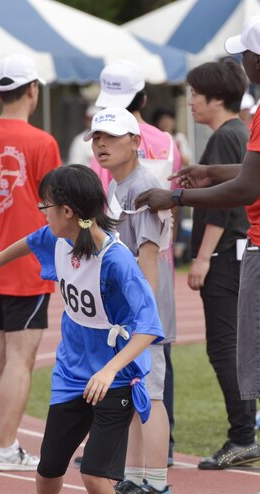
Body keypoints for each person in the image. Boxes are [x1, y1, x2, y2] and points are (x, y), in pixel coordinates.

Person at [136, 15, 260, 494]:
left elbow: (250, 188)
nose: (240, 65)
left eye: (243, 56)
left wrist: (176, 197)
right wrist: (207, 171)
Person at [0, 164, 163, 494]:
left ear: (68, 211)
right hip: (72, 374)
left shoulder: (116, 261)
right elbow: (28, 242)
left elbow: (149, 327)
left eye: (46, 206)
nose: (42, 213)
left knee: (94, 474)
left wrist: (110, 370)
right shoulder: (58, 240)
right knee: (48, 469)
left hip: (116, 376)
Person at [0, 54, 61, 471]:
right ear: (33, 90)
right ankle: (4, 446)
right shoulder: (42, 142)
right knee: (21, 358)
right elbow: (57, 206)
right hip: (28, 263)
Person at [90, 60, 180, 465]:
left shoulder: (143, 186)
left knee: (153, 394)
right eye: (96, 138)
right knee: (135, 391)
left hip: (145, 312)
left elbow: (149, 257)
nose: (101, 145)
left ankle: (155, 480)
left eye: (111, 137)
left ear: (135, 141)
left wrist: (142, 317)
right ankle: (136, 475)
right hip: (131, 310)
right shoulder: (118, 185)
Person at [184, 60, 260, 470]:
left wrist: (201, 258)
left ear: (217, 97)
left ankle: (243, 436)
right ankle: (244, 432)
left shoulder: (224, 138)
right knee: (233, 346)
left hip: (224, 256)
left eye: (196, 94)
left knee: (224, 347)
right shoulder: (238, 133)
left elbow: (223, 204)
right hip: (237, 254)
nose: (190, 101)